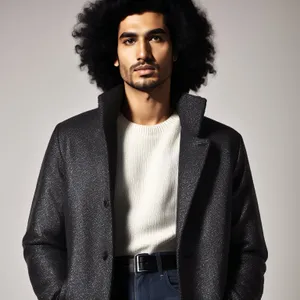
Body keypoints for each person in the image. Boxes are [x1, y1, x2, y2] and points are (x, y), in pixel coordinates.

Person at [22, 0, 268, 299]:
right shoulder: (72, 139)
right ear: (113, 54)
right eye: (129, 40)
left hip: (184, 287)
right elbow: (40, 240)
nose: (143, 53)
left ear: (176, 49)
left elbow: (249, 248)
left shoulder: (222, 144)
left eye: (156, 37)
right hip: (101, 289)